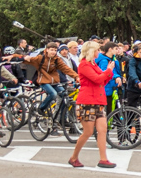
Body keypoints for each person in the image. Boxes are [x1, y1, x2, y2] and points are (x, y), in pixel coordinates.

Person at [67, 40, 116, 168]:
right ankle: (74, 157)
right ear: (91, 51)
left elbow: (102, 81)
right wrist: (108, 70)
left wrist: (109, 73)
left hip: (98, 100)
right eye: (97, 50)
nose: (99, 52)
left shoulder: (93, 64)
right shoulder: (84, 65)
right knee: (88, 132)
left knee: (102, 129)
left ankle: (103, 159)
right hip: (87, 101)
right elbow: (97, 79)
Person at [25, 40, 77, 116]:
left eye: (55, 50)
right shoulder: (41, 58)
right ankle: (41, 108)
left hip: (54, 82)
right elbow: (26, 59)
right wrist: (19, 57)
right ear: (47, 50)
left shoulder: (57, 60)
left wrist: (76, 77)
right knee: (53, 94)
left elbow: (66, 69)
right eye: (51, 50)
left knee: (64, 95)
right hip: (44, 81)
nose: (53, 52)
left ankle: (60, 118)